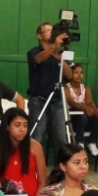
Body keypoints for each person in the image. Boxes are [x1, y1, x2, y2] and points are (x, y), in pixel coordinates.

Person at [0, 108, 47, 196]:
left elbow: (43, 183)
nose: (22, 129)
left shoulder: (36, 147)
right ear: (7, 126)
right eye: (17, 125)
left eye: (25, 125)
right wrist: (7, 191)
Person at [26, 22, 71, 154]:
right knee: (36, 138)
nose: (51, 32)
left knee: (61, 139)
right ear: (39, 36)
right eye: (47, 30)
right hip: (39, 102)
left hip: (57, 103)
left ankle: (61, 170)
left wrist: (60, 58)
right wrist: (53, 47)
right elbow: (38, 59)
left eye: (52, 30)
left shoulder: (59, 53)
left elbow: (69, 75)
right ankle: (32, 171)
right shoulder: (33, 52)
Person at [64, 63, 98, 158]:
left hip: (85, 118)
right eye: (76, 72)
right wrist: (85, 108)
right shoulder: (66, 88)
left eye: (81, 73)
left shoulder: (85, 88)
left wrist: (94, 110)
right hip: (72, 119)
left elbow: (89, 101)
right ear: (70, 74)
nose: (79, 75)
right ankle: (80, 142)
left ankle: (92, 142)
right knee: (83, 116)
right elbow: (72, 102)